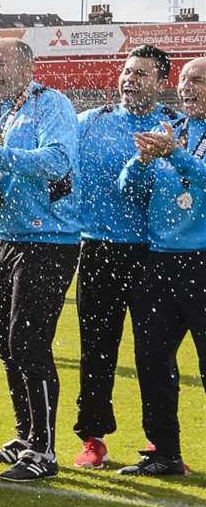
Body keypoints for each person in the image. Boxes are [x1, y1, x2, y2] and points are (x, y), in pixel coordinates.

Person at [0, 38, 80, 482]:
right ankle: (25, 436)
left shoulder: (53, 106)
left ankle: (46, 452)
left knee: (29, 342)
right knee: (9, 345)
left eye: (1, 63)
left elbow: (57, 162)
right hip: (4, 235)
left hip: (49, 239)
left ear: (28, 66)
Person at [66, 45, 177, 470]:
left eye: (142, 74)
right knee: (96, 350)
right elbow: (56, 157)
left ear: (161, 83)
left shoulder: (173, 128)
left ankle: (162, 443)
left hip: (154, 254)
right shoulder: (91, 122)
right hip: (97, 249)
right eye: (127, 72)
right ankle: (92, 438)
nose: (130, 79)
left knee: (155, 354)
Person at [116, 56, 206, 476]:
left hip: (203, 264)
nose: (188, 88)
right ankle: (166, 452)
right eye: (185, 81)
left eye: (199, 81)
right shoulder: (175, 131)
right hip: (159, 263)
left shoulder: (179, 142)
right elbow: (127, 189)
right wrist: (142, 161)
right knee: (152, 362)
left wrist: (176, 156)